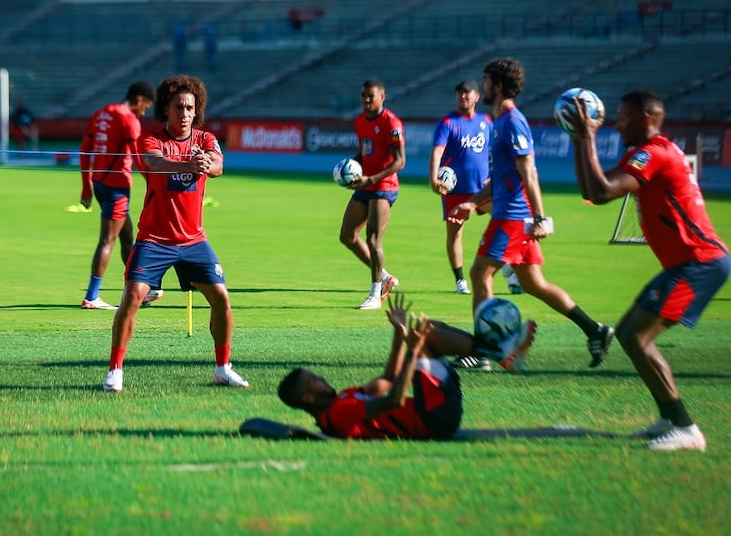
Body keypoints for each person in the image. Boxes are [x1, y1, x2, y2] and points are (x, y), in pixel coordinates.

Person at [569, 90, 728, 452]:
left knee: (637, 338)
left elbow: (604, 190)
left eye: (622, 118)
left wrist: (587, 137)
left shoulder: (653, 154)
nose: (616, 124)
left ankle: (687, 429)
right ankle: (669, 420)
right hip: (688, 263)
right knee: (627, 333)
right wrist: (582, 140)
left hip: (699, 262)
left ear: (645, 118)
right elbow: (592, 192)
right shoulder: (651, 152)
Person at [448, 57, 614, 370]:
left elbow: (529, 172)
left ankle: (482, 352)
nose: (481, 86)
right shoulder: (499, 123)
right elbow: (501, 177)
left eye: (485, 81)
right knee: (534, 284)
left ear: (497, 86)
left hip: (512, 216)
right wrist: (472, 202)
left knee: (479, 273)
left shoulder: (512, 121)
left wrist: (539, 218)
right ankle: (596, 330)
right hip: (512, 214)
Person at [102, 74, 248, 392]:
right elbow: (154, 163)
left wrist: (208, 163)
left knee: (222, 298)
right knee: (132, 297)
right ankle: (115, 370)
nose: (184, 113)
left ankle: (223, 368)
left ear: (197, 111)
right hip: (154, 239)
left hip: (194, 239)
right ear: (166, 110)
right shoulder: (151, 140)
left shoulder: (206, 139)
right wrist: (188, 166)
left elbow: (219, 165)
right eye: (178, 107)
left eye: (190, 108)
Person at [277, 292, 536, 439]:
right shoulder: (337, 414)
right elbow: (394, 400)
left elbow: (389, 378)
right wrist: (413, 349)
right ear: (309, 397)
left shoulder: (341, 399)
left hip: (434, 412)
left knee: (429, 328)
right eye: (316, 380)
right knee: (427, 335)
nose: (322, 378)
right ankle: (497, 351)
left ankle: (497, 351)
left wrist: (399, 332)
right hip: (434, 419)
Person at [78, 81, 159, 310]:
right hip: (117, 187)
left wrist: (86, 187)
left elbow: (85, 149)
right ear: (140, 99)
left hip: (100, 183)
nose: (144, 112)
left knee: (127, 237)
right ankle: (92, 296)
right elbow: (137, 156)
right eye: (146, 107)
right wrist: (152, 183)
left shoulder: (102, 113)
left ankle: (138, 290)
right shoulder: (129, 120)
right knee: (108, 240)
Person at [339, 78, 405, 310]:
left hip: (384, 186)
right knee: (347, 235)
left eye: (371, 96)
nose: (367, 100)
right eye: (364, 96)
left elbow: (400, 161)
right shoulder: (360, 121)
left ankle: (375, 294)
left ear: (382, 97)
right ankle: (385, 276)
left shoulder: (391, 123)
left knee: (374, 239)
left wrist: (373, 179)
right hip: (365, 184)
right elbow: (364, 151)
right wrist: (349, 167)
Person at [428, 79, 491, 295]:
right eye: (460, 93)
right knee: (455, 234)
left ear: (476, 96)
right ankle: (460, 281)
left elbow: (496, 152)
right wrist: (434, 179)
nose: (463, 96)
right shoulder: (447, 122)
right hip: (454, 189)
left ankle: (510, 270)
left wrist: (495, 176)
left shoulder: (486, 121)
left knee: (505, 219)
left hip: (482, 188)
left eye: (467, 93)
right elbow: (437, 151)